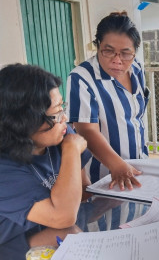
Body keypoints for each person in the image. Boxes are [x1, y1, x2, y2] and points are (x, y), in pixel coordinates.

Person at [0, 64, 92, 259]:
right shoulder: (4, 167)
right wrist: (71, 149)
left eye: (62, 107)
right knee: (70, 236)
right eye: (56, 112)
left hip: (51, 227)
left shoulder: (60, 133)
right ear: (24, 120)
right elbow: (63, 216)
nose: (64, 118)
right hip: (9, 242)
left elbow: (84, 191)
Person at [66, 11, 150, 190]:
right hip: (105, 174)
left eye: (126, 53)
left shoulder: (136, 69)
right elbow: (86, 130)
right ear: (97, 46)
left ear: (135, 52)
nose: (117, 61)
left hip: (139, 164)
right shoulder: (81, 78)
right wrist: (116, 165)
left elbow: (135, 118)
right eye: (108, 51)